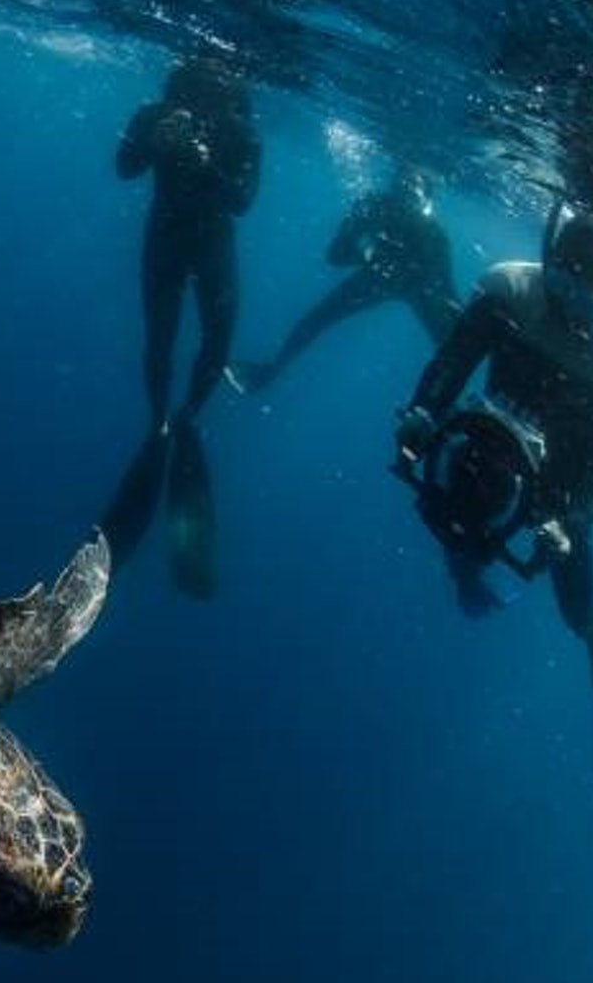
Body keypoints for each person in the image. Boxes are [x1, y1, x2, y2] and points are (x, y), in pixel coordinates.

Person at [394, 208, 593, 835]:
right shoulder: (510, 289)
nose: (569, 306)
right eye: (561, 283)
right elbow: (452, 361)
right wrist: (421, 413)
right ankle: (467, 572)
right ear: (547, 267)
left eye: (586, 296)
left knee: (575, 599)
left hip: (559, 484)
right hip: (490, 441)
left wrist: (570, 524)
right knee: (458, 501)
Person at [101, 58, 262, 597]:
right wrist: (155, 143)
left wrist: (205, 162)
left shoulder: (244, 133)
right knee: (160, 341)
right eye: (200, 81)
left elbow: (242, 201)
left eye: (220, 83)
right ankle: (160, 422)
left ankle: (188, 414)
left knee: (217, 345)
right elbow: (124, 167)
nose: (209, 90)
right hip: (166, 239)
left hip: (213, 245)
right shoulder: (154, 114)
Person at [232, 168, 458, 394]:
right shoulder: (374, 206)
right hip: (380, 277)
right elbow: (335, 255)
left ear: (426, 201)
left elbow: (447, 292)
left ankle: (446, 397)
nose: (404, 198)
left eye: (411, 194)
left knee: (452, 340)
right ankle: (268, 373)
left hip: (412, 284)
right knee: (316, 319)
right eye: (400, 189)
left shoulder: (434, 235)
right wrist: (363, 254)